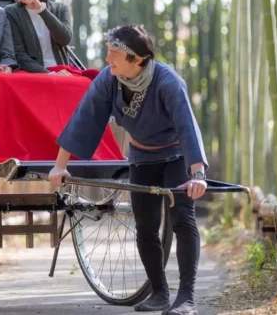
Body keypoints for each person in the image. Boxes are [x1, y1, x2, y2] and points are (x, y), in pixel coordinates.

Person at [48, 25, 208, 315]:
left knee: (183, 219)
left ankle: (187, 299)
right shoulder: (109, 80)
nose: (109, 60)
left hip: (175, 155)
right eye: (108, 53)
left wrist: (197, 174)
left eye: (115, 55)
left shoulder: (167, 81)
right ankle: (159, 293)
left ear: (138, 60)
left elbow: (188, 127)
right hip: (141, 156)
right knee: (146, 227)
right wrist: (60, 166)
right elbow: (83, 120)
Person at [5, 0, 74, 75]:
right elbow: (19, 55)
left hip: (62, 72)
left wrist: (42, 10)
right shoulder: (11, 12)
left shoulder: (61, 8)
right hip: (33, 74)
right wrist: (48, 74)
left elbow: (65, 39)